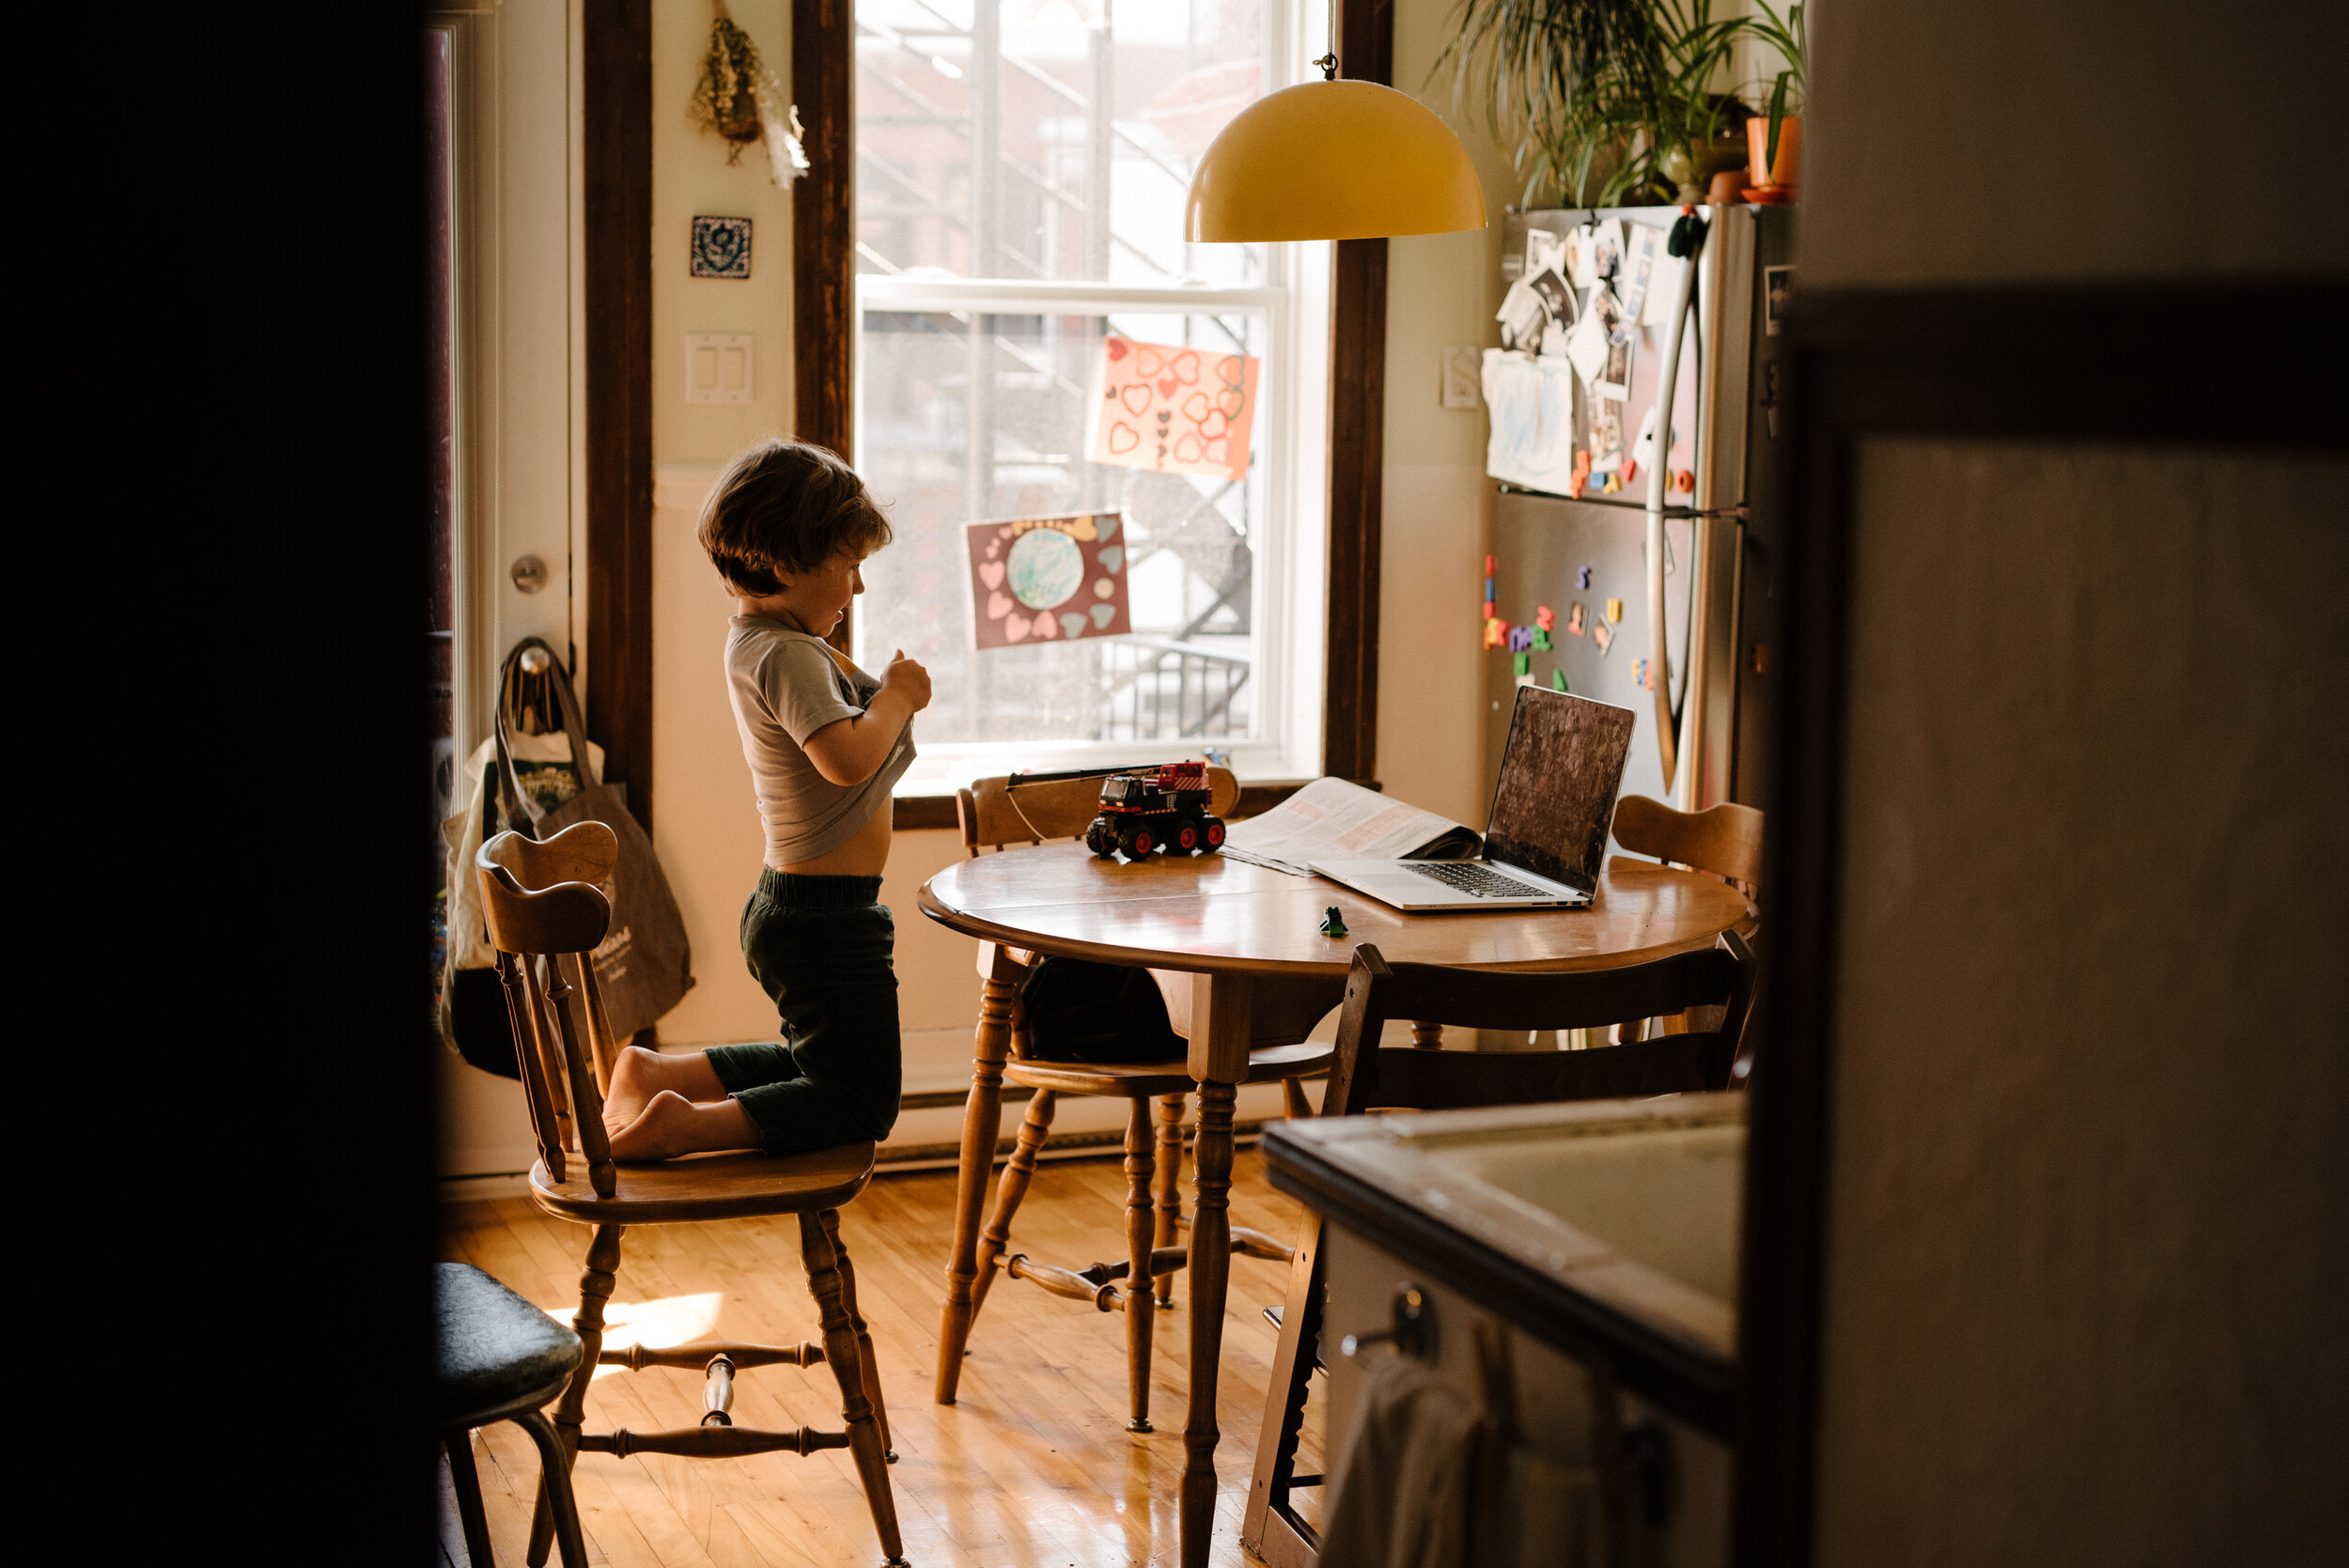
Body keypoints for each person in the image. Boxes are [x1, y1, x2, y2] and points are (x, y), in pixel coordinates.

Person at [601, 440, 929, 1161]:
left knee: (823, 1067)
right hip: (826, 919)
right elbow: (844, 760)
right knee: (859, 1098)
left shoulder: (762, 640)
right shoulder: (786, 653)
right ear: (787, 565)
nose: (858, 590)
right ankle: (681, 1125)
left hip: (807, 907)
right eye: (851, 568)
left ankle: (659, 1072)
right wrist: (899, 699)